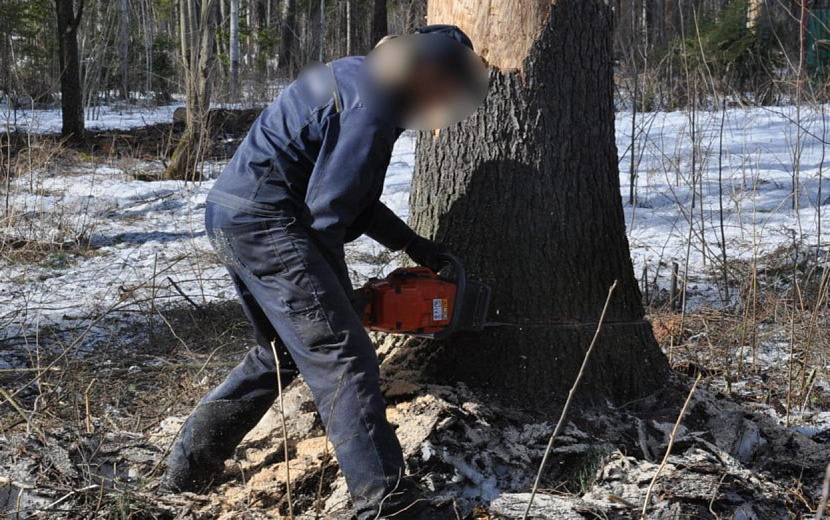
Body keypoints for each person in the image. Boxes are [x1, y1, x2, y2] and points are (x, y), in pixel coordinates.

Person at [160, 25, 487, 519]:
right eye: (445, 89)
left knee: (277, 354)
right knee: (345, 356)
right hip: (270, 221)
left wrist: (414, 245)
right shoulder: (374, 105)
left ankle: (187, 468)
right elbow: (328, 214)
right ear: (425, 72)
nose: (444, 102)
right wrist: (341, 302)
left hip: (233, 212)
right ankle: (386, 504)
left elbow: (348, 194)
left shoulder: (358, 78)